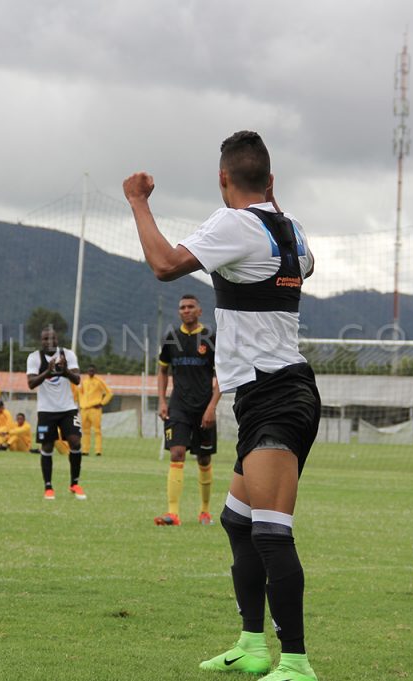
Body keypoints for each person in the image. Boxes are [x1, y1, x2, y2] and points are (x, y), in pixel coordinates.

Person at [124, 130, 321, 681]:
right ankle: (253, 645)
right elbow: (306, 268)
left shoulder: (233, 223)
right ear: (272, 182)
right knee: (238, 521)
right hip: (269, 392)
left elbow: (165, 265)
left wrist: (138, 201)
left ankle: (298, 661)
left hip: (277, 395)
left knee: (270, 530)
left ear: (223, 179)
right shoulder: (292, 230)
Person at [154, 294, 221, 526]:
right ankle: (173, 514)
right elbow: (162, 371)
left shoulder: (211, 338)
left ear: (199, 311)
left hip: (204, 407)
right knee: (176, 453)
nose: (186, 310)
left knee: (203, 459)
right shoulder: (171, 338)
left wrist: (212, 406)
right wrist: (162, 401)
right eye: (182, 307)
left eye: (191, 306)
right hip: (178, 406)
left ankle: (205, 512)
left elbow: (221, 375)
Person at [26, 328, 85, 500]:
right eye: (45, 338)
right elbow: (31, 384)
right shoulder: (34, 357)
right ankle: (48, 487)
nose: (48, 341)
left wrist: (64, 370)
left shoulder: (68, 355)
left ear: (57, 339)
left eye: (52, 338)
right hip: (46, 410)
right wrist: (48, 372)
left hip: (67, 408)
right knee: (47, 446)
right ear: (41, 341)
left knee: (75, 442)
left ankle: (75, 483)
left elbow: (77, 379)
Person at [78, 365, 113, 456]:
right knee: (85, 431)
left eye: (92, 371)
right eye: (89, 371)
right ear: (87, 372)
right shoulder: (84, 381)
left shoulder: (99, 381)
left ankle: (98, 450)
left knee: (97, 431)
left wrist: (102, 403)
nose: (91, 372)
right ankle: (85, 450)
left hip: (95, 409)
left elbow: (109, 393)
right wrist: (81, 403)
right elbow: (80, 393)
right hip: (84, 410)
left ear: (95, 371)